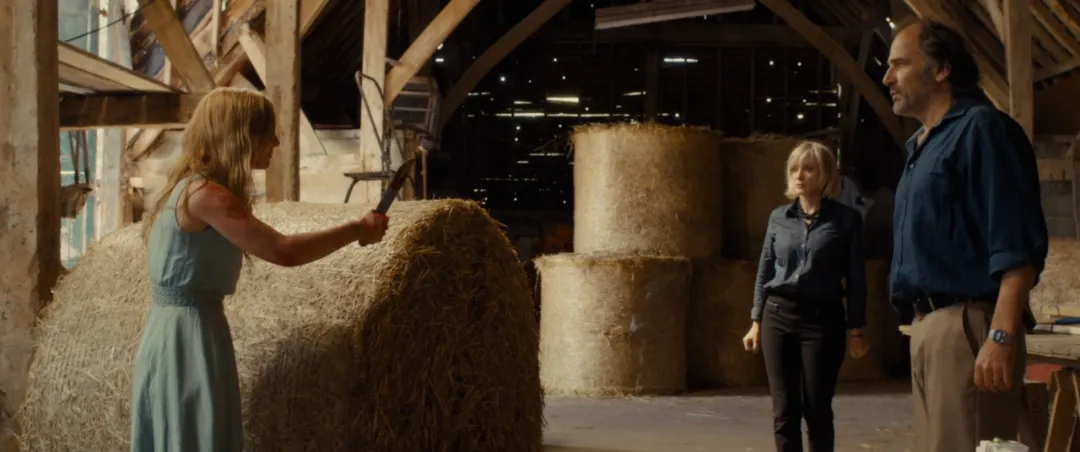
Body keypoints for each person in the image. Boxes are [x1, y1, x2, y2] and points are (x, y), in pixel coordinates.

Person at [129, 87, 390, 452]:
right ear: (240, 136)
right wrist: (356, 230)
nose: (276, 141)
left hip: (174, 331)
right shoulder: (207, 196)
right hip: (188, 339)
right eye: (267, 132)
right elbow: (284, 251)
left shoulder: (188, 189)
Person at [883, 19, 1048, 452]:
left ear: (942, 69)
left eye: (900, 64)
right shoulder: (921, 146)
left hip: (967, 326)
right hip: (928, 329)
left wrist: (1000, 336)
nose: (888, 78)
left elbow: (1015, 244)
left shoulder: (981, 130)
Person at [742, 141, 869, 452]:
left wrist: (856, 329)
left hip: (822, 320)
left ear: (825, 174)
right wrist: (756, 320)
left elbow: (856, 279)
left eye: (808, 169)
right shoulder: (778, 217)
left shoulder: (847, 220)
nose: (799, 176)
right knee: (784, 410)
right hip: (778, 315)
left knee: (817, 408)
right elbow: (765, 271)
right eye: (794, 169)